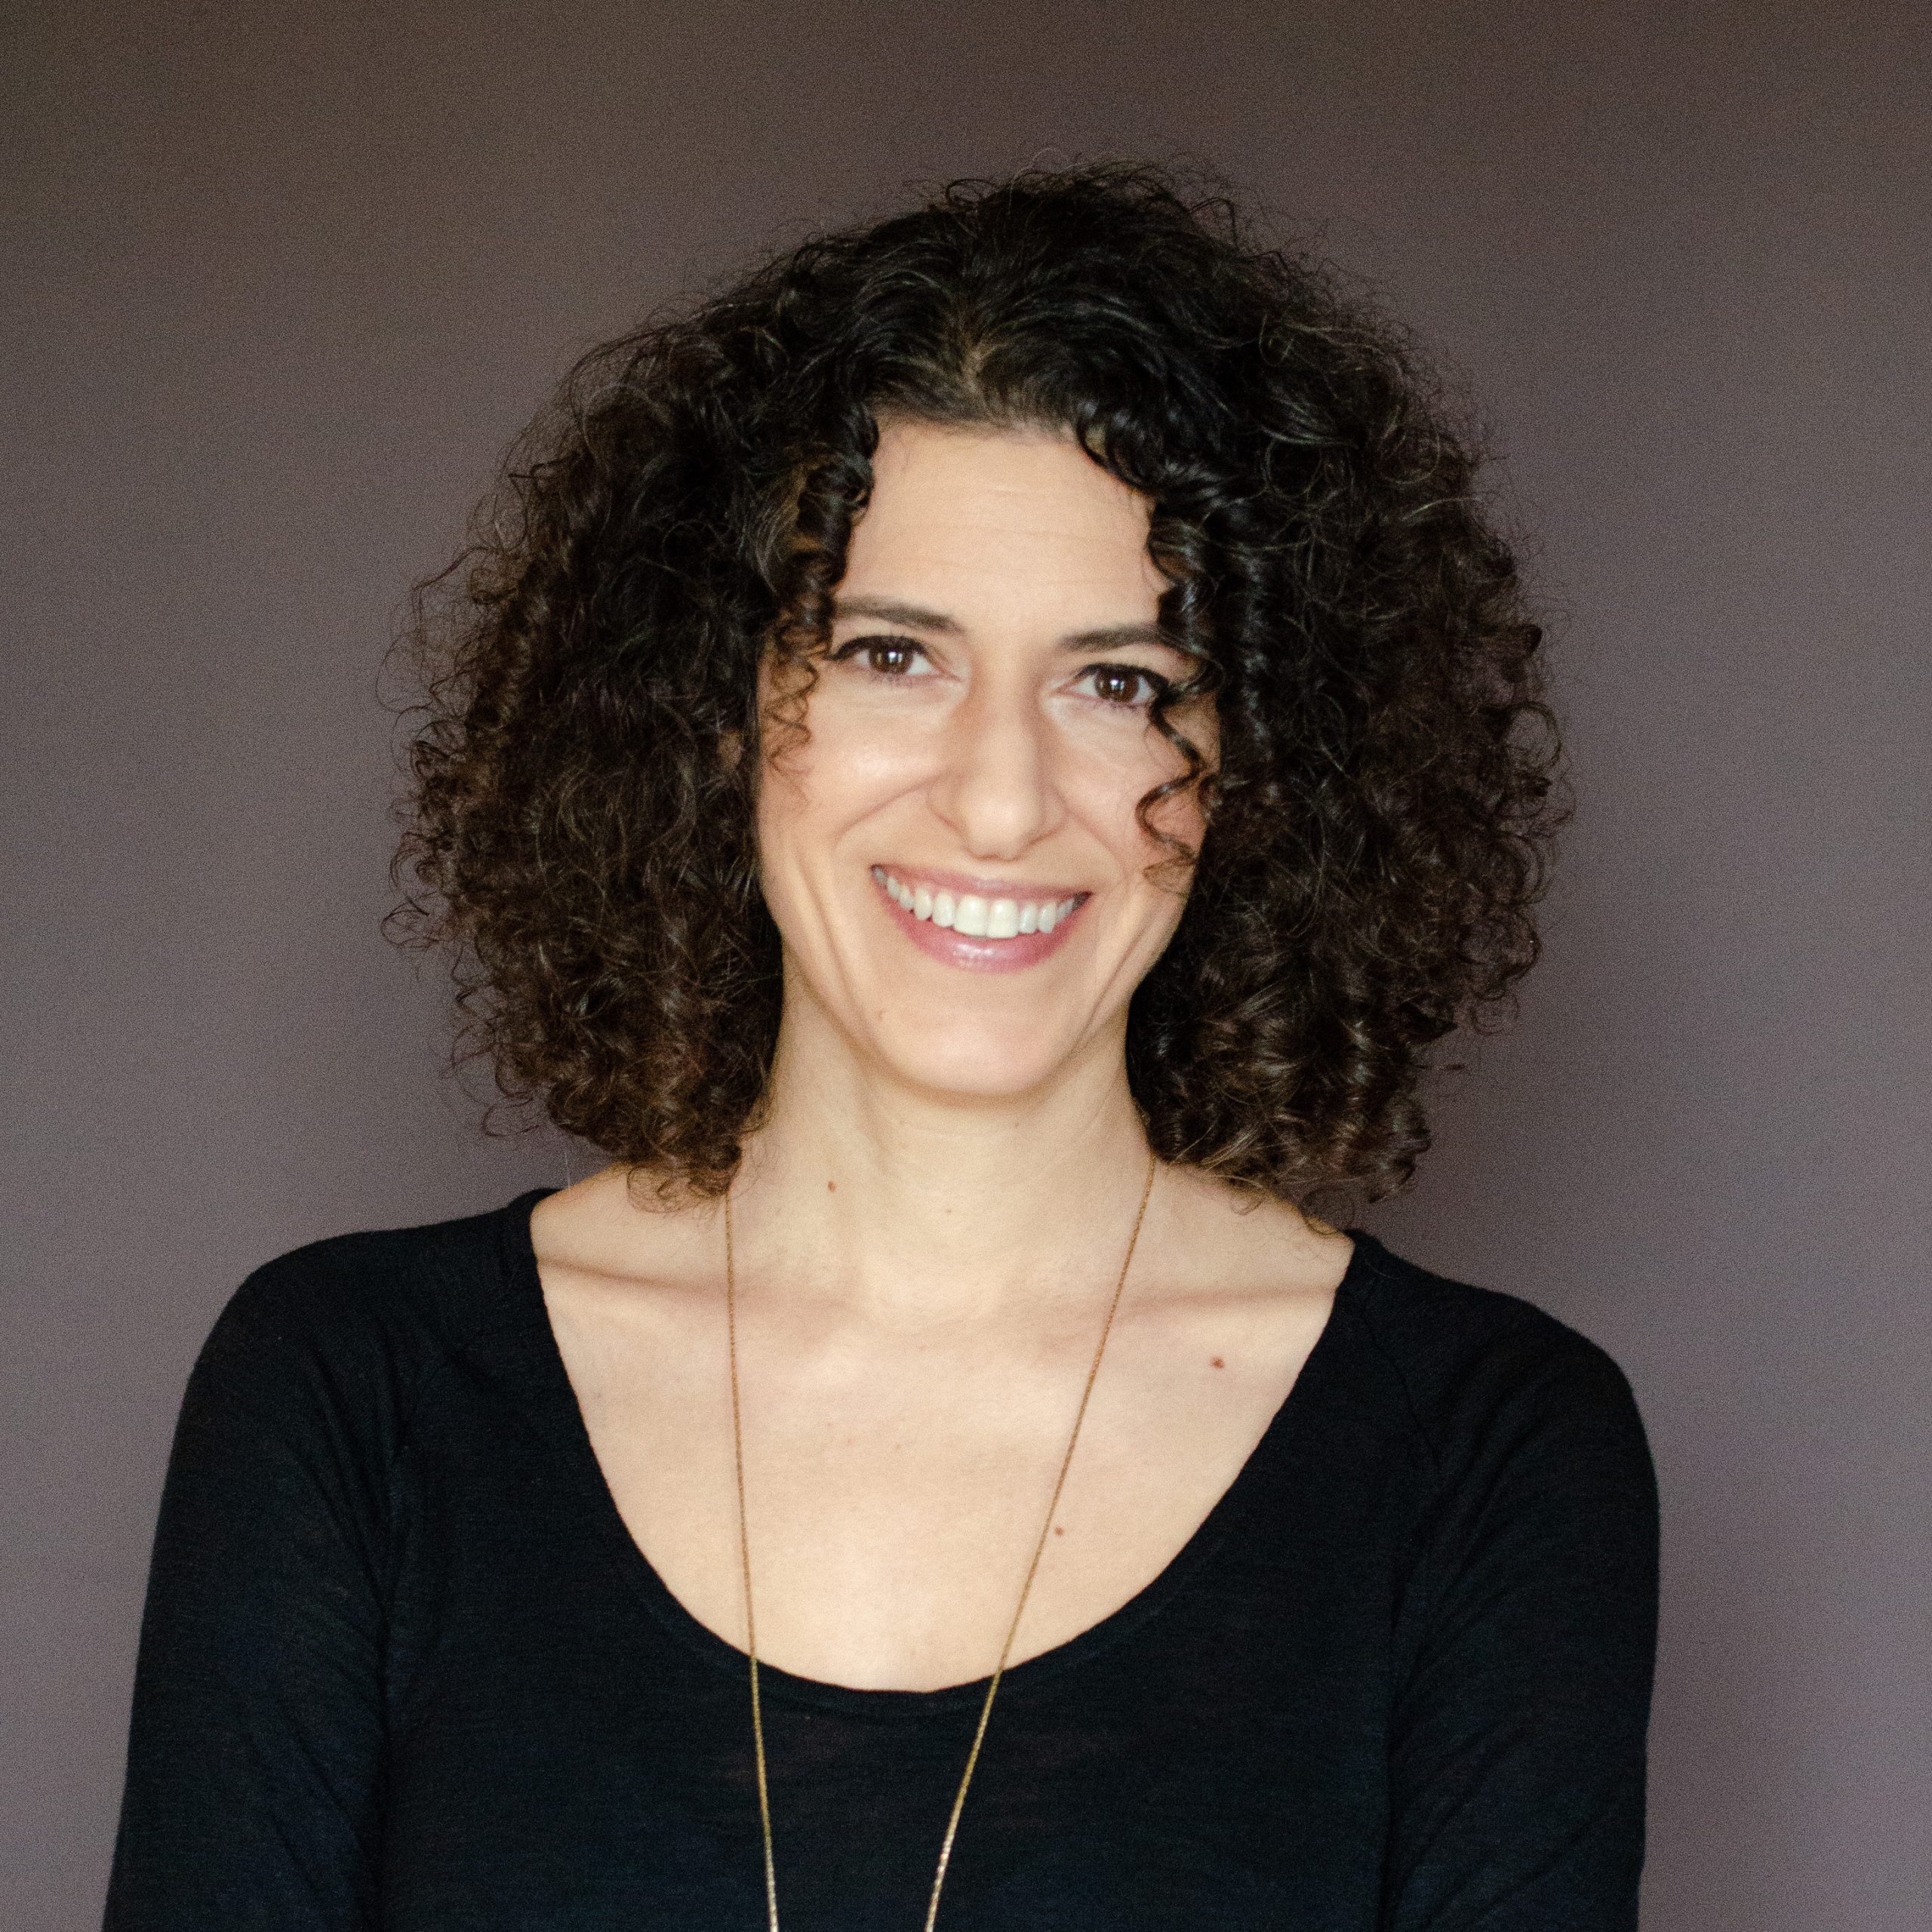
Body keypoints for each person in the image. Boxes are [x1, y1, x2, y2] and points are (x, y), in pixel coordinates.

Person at [103, 162, 1660, 1930]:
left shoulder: (1485, 1452)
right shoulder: (351, 1392)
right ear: (711, 707)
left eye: (1122, 681)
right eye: (889, 652)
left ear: (1258, 765)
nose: (999, 800)